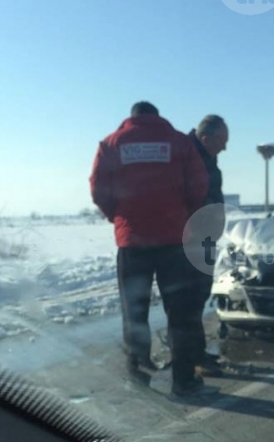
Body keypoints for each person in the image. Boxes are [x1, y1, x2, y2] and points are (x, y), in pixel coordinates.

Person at [89, 101, 212, 398]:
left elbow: (98, 189)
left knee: (134, 311)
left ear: (131, 118)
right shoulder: (180, 142)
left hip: (133, 244)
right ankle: (183, 380)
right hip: (174, 242)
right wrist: (183, 214)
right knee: (180, 313)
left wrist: (119, 216)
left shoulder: (110, 144)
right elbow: (199, 185)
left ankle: (139, 372)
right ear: (157, 116)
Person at [188, 115, 229, 373]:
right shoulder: (190, 161)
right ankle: (189, 358)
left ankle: (195, 354)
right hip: (191, 240)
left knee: (197, 300)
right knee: (189, 302)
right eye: (222, 142)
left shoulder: (206, 159)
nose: (224, 148)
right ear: (206, 139)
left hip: (203, 239)